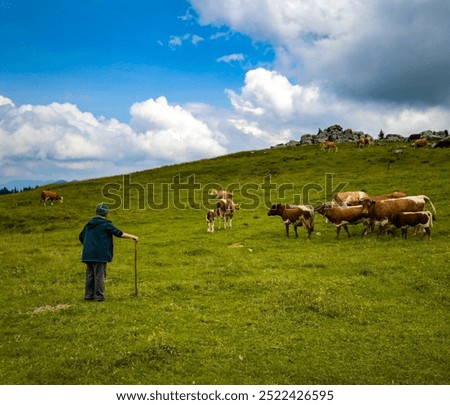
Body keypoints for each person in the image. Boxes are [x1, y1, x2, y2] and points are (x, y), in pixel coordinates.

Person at [79, 202, 139, 301]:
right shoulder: (105, 224)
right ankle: (99, 296)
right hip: (100, 254)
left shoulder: (89, 224)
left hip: (88, 254)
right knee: (99, 275)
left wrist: (88, 247)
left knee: (90, 274)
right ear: (106, 213)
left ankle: (88, 296)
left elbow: (81, 236)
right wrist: (133, 237)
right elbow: (119, 233)